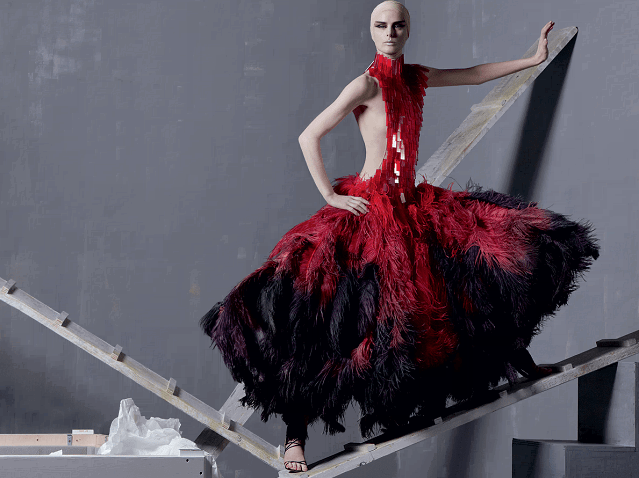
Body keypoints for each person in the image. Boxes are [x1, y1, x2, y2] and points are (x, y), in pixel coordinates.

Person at [198, 1, 599, 473]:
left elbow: (473, 75)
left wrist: (530, 59)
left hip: (413, 205)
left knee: (471, 278)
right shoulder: (365, 84)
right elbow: (309, 136)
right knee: (326, 320)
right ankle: (295, 436)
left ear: (408, 30)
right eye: (381, 25)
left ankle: (517, 361)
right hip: (371, 211)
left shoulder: (415, 77)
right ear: (371, 31)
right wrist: (330, 195)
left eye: (398, 25)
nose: (390, 33)